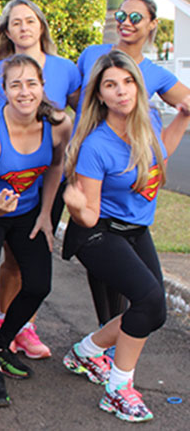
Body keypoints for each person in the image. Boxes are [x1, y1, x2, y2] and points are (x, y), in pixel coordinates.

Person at [61, 50, 190, 423]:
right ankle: (118, 389)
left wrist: (181, 120)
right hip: (97, 232)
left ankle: (86, 352)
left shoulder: (147, 124)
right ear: (99, 96)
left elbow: (159, 158)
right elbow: (90, 214)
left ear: (139, 86)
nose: (121, 91)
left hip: (134, 231)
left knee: (156, 313)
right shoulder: (96, 146)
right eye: (110, 85)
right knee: (148, 300)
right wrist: (74, 205)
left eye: (128, 82)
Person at [75, 0, 190, 328]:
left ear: (153, 25)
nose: (126, 21)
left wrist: (179, 119)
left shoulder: (155, 74)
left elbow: (185, 105)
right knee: (91, 255)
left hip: (127, 178)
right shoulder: (92, 55)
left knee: (135, 286)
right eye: (122, 14)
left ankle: (105, 347)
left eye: (137, 17)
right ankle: (95, 343)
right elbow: (72, 97)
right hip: (87, 165)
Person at [0, 54, 71, 408]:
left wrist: (45, 213)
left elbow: (56, 166)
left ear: (42, 86)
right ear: (4, 90)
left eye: (31, 83)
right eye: (15, 85)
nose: (24, 91)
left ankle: (2, 339)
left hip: (27, 212)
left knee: (39, 284)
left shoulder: (58, 123)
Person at [0, 0, 81, 360]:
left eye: (30, 21)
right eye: (16, 23)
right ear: (7, 31)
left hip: (45, 186)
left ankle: (26, 326)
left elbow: (83, 110)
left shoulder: (66, 68)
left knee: (35, 259)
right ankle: (6, 321)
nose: (24, 28)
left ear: (41, 26)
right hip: (8, 181)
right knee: (13, 260)